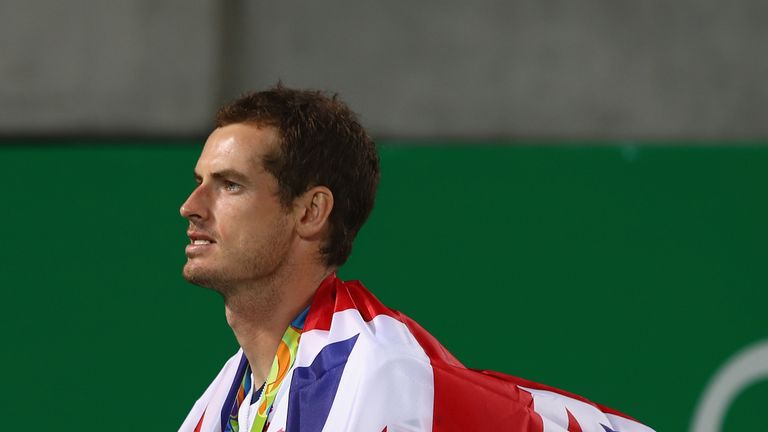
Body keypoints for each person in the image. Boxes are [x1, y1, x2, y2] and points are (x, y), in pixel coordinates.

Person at [178, 85, 655, 432]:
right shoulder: (231, 397)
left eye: (230, 185)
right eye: (200, 181)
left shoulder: (368, 377)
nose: (192, 206)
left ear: (310, 212)